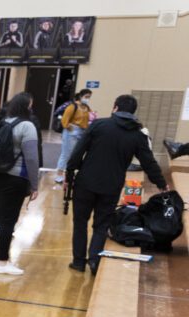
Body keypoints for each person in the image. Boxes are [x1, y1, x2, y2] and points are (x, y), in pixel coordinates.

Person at [66, 94, 168, 274]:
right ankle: (95, 261)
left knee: (80, 222)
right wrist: (161, 183)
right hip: (111, 186)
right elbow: (148, 162)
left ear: (115, 107)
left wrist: (69, 174)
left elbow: (77, 152)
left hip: (86, 182)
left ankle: (78, 262)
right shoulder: (137, 135)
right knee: (101, 225)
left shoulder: (98, 125)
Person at [0, 92, 42, 275]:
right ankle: (2, 263)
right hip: (14, 177)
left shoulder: (1, 123)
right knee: (7, 221)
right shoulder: (27, 126)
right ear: (26, 107)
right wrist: (35, 185)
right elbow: (32, 158)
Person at [54, 89, 93, 183]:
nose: (87, 99)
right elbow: (64, 119)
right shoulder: (73, 106)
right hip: (71, 131)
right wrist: (68, 126)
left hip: (82, 131)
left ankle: (69, 174)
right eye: (86, 97)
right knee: (66, 154)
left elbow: (88, 118)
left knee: (76, 154)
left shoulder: (86, 107)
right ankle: (59, 176)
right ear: (81, 96)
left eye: (89, 97)